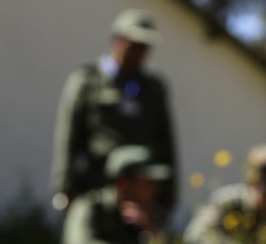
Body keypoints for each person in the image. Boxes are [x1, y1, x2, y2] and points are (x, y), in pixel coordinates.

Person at [50, 9, 177, 225]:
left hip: (140, 192)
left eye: (145, 46)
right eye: (134, 43)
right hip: (96, 185)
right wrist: (64, 187)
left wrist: (167, 196)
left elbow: (166, 142)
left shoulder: (154, 89)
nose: (140, 51)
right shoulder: (87, 82)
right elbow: (67, 136)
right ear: (116, 40)